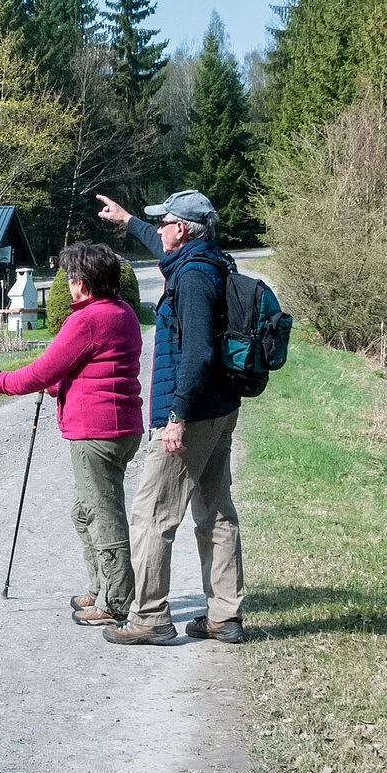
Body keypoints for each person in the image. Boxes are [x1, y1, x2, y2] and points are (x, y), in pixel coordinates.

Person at [94, 187, 247, 646]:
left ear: (181, 229)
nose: (158, 228)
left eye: (164, 222)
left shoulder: (194, 277)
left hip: (192, 412)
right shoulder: (209, 261)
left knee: (151, 516)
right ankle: (224, 615)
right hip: (219, 408)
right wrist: (126, 220)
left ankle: (150, 617)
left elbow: (197, 353)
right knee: (216, 512)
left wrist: (176, 415)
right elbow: (156, 238)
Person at [0, 243, 144, 628]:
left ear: (82, 283)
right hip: (120, 426)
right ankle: (101, 586)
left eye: (70, 279)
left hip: (96, 432)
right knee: (84, 512)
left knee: (103, 516)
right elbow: (96, 367)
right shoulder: (122, 312)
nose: (68, 286)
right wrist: (58, 387)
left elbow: (41, 371)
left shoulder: (87, 319)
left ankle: (116, 601)